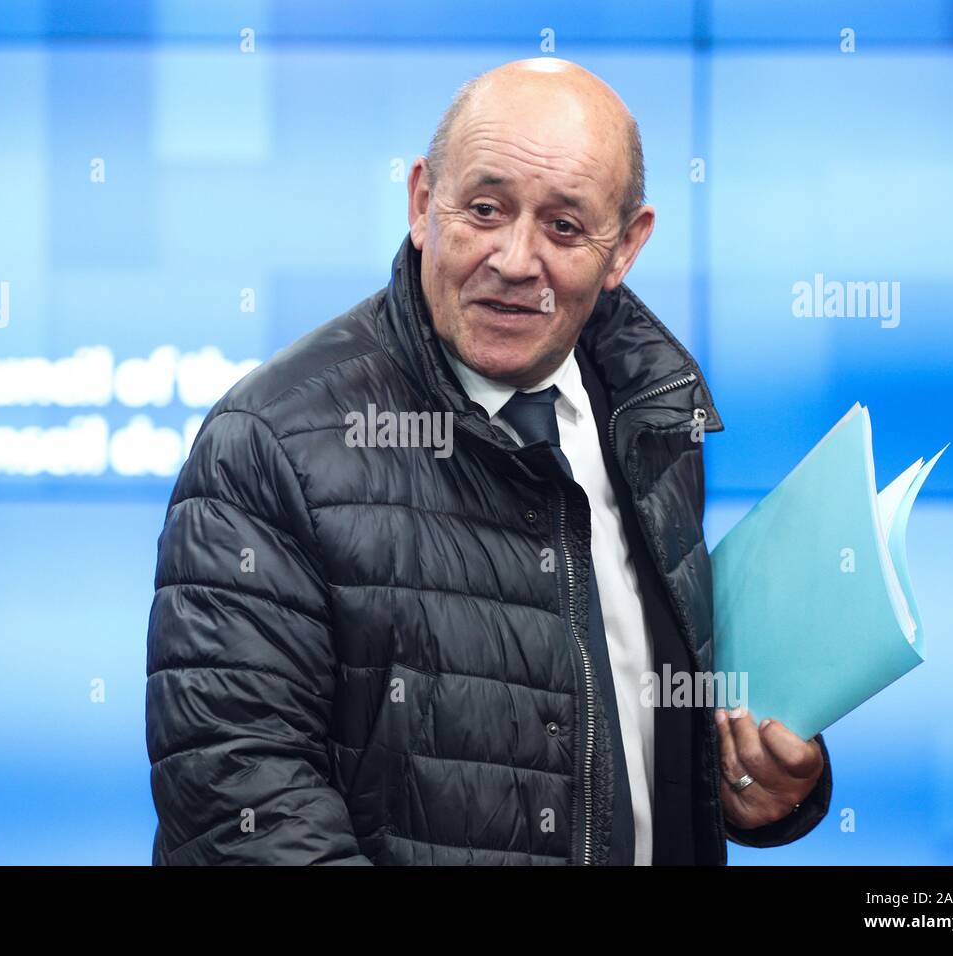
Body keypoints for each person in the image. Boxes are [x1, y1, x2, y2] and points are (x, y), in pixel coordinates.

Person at [146, 57, 831, 865]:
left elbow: (640, 741)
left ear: (627, 248)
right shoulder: (269, 441)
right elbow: (237, 803)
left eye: (565, 227)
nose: (515, 260)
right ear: (420, 203)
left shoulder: (654, 419)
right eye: (484, 208)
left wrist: (759, 790)